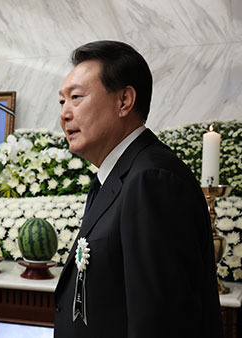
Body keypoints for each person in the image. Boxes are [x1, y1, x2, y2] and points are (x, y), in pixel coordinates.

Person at [54, 40, 223, 337]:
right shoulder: (115, 175)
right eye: (62, 102)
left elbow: (163, 322)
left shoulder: (152, 179)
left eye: (76, 97)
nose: (65, 114)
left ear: (124, 101)